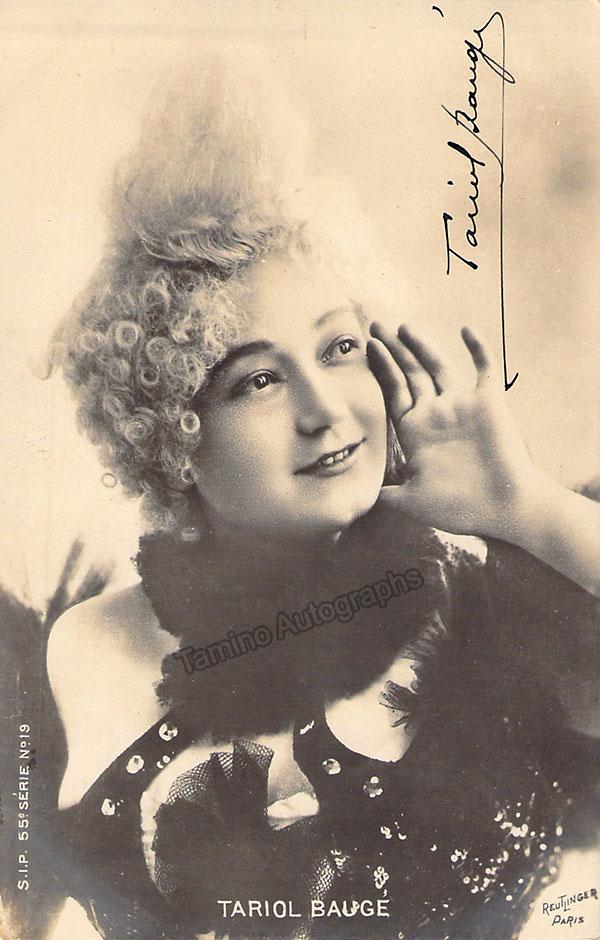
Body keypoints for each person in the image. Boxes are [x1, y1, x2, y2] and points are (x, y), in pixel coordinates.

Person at [44, 59, 599, 940]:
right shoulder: (87, 645)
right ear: (171, 433)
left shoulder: (493, 606)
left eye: (339, 349)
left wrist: (523, 507)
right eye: (258, 380)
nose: (326, 411)